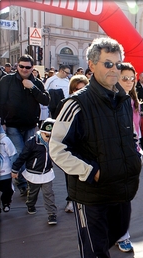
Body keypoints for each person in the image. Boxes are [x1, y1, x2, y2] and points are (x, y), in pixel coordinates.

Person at [49, 37, 142, 258]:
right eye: (108, 64)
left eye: (118, 64)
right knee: (96, 254)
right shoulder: (76, 104)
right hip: (91, 195)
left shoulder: (122, 100)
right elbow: (58, 148)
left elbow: (127, 137)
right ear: (92, 65)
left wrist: (133, 157)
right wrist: (92, 172)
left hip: (120, 191)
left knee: (113, 236)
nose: (114, 69)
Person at [0, 54, 50, 196]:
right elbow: (1, 102)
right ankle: (22, 184)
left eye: (27, 67)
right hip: (12, 125)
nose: (24, 69)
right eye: (21, 66)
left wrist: (33, 87)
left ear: (32, 68)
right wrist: (2, 122)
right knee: (19, 154)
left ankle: (26, 182)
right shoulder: (7, 80)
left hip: (30, 125)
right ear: (17, 66)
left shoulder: (37, 82)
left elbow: (46, 100)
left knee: (28, 154)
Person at [52, 74, 89, 214]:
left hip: (87, 145)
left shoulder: (93, 105)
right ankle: (71, 199)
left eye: (83, 89)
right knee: (72, 173)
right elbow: (58, 126)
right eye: (76, 89)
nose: (79, 92)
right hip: (71, 146)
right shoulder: (65, 103)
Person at [11, 118, 57, 225]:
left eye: (52, 136)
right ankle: (30, 204)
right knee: (32, 193)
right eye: (47, 135)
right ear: (41, 132)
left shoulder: (53, 143)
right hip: (33, 173)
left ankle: (52, 214)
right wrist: (15, 169)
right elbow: (22, 156)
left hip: (47, 173)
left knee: (49, 194)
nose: (49, 138)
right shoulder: (32, 143)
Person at [115, 62, 139, 253]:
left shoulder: (132, 101)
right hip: (112, 156)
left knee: (125, 198)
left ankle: (123, 234)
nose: (129, 82)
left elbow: (135, 129)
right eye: (125, 78)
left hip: (131, 154)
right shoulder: (111, 100)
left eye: (132, 78)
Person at [0, 119, 17, 214]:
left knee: (7, 190)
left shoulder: (5, 140)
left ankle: (6, 203)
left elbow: (13, 154)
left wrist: (14, 169)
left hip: (5, 172)